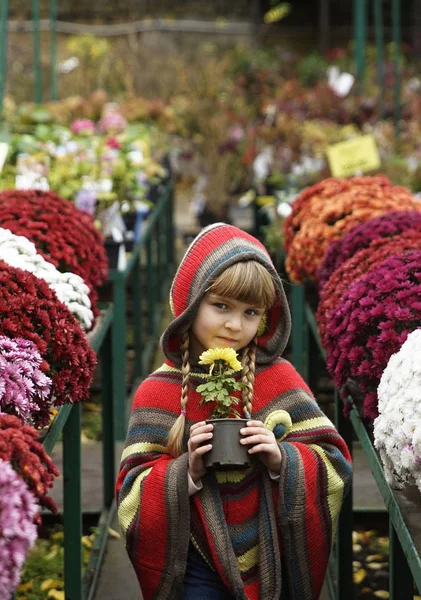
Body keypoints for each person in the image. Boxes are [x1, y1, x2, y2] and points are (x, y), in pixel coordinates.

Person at [116, 223, 352, 600]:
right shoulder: (157, 391)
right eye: (221, 306)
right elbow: (132, 492)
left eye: (250, 312)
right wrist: (186, 471)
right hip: (195, 560)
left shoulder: (280, 378)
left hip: (272, 550)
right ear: (191, 304)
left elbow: (333, 461)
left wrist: (282, 459)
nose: (233, 324)